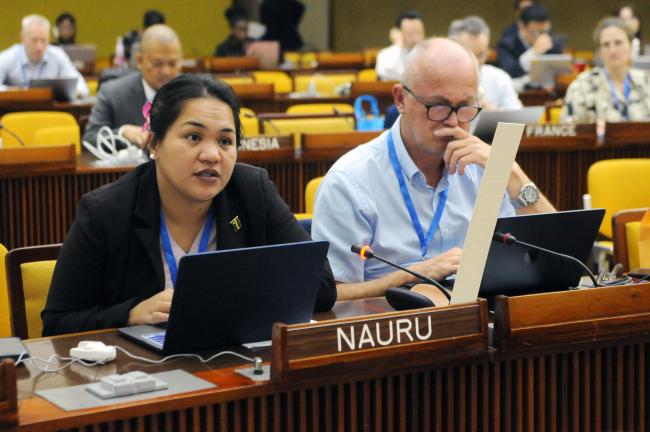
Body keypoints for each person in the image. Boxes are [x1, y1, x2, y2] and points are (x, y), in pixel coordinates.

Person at [43, 74, 336, 336]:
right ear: (154, 143)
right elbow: (57, 323)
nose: (212, 155)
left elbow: (321, 287)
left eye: (225, 141)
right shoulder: (106, 211)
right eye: (193, 137)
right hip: (143, 377)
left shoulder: (251, 190)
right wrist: (130, 315)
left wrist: (233, 299)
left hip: (233, 365)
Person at [312, 38, 555, 301]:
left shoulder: (484, 165)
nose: (452, 122)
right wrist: (413, 275)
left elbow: (555, 259)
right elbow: (333, 296)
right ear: (400, 99)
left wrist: (512, 172)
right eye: (438, 107)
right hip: (393, 329)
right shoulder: (350, 182)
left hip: (482, 320)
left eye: (464, 107)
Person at [84, 24, 183, 147]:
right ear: (140, 61)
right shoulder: (113, 93)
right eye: (157, 64)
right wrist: (122, 132)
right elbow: (90, 139)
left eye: (172, 64)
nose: (166, 71)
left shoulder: (193, 95)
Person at [561, 17, 650, 123]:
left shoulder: (646, 82)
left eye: (618, 43)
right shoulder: (581, 86)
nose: (613, 50)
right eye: (606, 45)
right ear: (599, 52)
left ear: (630, 45)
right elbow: (570, 133)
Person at [0, 14, 88, 97]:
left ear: (49, 39)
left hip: (50, 110)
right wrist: (15, 92)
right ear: (22, 38)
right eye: (34, 40)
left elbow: (82, 87)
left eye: (43, 40)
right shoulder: (8, 57)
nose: (39, 47)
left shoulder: (57, 55)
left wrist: (69, 93)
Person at [449, 16, 523, 111]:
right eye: (468, 55)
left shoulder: (499, 78)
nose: (475, 62)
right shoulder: (440, 82)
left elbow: (516, 124)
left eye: (480, 55)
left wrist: (491, 112)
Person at [496, 4, 564, 86]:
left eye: (545, 31)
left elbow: (558, 73)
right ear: (521, 25)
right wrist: (533, 52)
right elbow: (509, 73)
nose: (541, 37)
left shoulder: (552, 43)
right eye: (535, 32)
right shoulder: (506, 45)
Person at [375, 11, 425, 81]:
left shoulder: (430, 53)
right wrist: (399, 46)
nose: (415, 38)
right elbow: (383, 75)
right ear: (400, 33)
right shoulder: (385, 54)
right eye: (410, 34)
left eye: (418, 33)